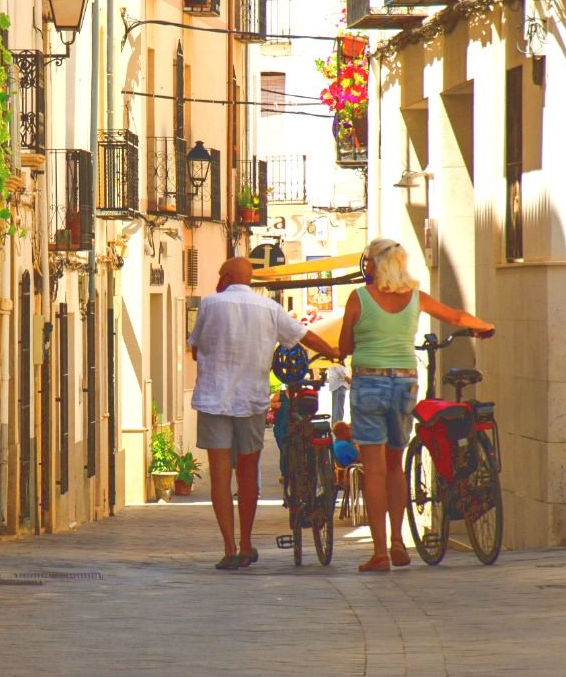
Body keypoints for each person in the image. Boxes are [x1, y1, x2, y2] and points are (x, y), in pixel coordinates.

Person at [336, 237, 494, 574]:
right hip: (405, 383)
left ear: (374, 264)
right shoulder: (415, 297)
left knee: (374, 470)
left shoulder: (359, 297)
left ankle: (380, 552)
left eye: (369, 261)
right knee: (395, 466)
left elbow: (344, 346)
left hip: (369, 382)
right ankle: (397, 542)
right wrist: (482, 326)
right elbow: (455, 315)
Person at [189, 257, 336, 571]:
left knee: (220, 476)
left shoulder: (209, 305)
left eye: (220, 274)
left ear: (228, 276)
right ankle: (246, 543)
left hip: (214, 399)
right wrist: (335, 351)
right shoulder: (269, 308)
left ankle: (229, 548)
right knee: (247, 473)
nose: (218, 279)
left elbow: (195, 349)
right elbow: (304, 336)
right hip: (251, 401)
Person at [326, 359, 351, 426]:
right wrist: (350, 381)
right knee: (338, 408)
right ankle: (337, 425)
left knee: (339, 407)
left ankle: (338, 424)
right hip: (339, 385)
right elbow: (341, 372)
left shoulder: (339, 360)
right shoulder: (337, 360)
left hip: (340, 385)